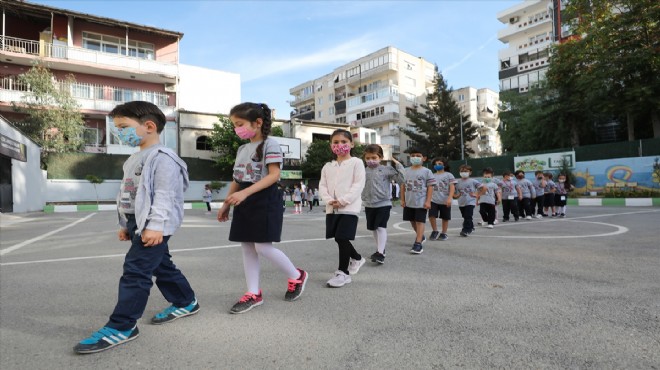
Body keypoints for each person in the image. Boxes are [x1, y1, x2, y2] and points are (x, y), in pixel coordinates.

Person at [74, 101, 198, 354]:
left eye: (123, 127)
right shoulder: (133, 158)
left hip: (154, 223)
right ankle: (186, 301)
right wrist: (124, 225)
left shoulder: (163, 158)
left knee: (136, 270)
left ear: (149, 126)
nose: (119, 132)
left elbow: (165, 195)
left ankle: (122, 326)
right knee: (161, 265)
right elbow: (127, 195)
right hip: (137, 223)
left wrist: (156, 227)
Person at [217, 102, 308, 313]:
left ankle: (297, 275)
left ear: (258, 122)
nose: (236, 129)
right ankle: (253, 293)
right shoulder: (242, 149)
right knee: (247, 246)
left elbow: (274, 175)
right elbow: (237, 179)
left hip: (264, 197)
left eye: (239, 124)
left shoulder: (271, 144)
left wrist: (245, 193)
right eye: (234, 125)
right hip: (244, 198)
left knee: (263, 247)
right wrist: (225, 205)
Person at [319, 129, 366, 287]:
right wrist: (329, 200)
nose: (340, 145)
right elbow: (322, 186)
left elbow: (358, 185)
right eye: (336, 142)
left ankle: (343, 273)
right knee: (338, 237)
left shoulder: (356, 163)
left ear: (351, 144)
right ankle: (357, 258)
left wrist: (344, 200)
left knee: (342, 237)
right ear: (331, 145)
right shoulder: (327, 166)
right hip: (332, 208)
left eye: (344, 142)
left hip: (349, 207)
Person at [361, 144, 405, 264]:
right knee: (374, 228)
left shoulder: (387, 169)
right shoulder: (362, 171)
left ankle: (380, 253)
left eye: (374, 157)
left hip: (383, 203)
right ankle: (380, 249)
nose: (371, 160)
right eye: (368, 158)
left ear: (380, 157)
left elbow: (402, 179)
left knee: (381, 227)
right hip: (369, 204)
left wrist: (398, 164)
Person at [401, 148, 435, 254]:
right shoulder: (405, 171)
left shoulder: (427, 171)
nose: (415, 157)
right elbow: (403, 186)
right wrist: (402, 199)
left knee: (420, 221)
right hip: (409, 201)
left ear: (424, 158)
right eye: (413, 155)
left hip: (421, 202)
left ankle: (418, 243)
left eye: (418, 155)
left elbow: (430, 187)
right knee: (412, 221)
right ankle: (421, 236)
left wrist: (428, 201)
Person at [428, 158, 455, 241]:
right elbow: (429, 187)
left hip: (445, 200)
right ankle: (435, 231)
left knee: (445, 217)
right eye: (436, 164)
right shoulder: (432, 175)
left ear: (444, 165)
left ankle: (444, 233)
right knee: (431, 215)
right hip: (433, 200)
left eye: (439, 163)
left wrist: (450, 198)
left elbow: (452, 187)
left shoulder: (449, 175)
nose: (437, 165)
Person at [455, 164, 483, 237]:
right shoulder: (457, 182)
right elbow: (454, 193)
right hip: (461, 202)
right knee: (465, 216)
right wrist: (456, 196)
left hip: (470, 202)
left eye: (466, 171)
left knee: (468, 215)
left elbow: (483, 188)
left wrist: (477, 194)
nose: (464, 172)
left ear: (470, 172)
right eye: (462, 171)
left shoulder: (473, 181)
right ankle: (471, 226)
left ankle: (466, 230)